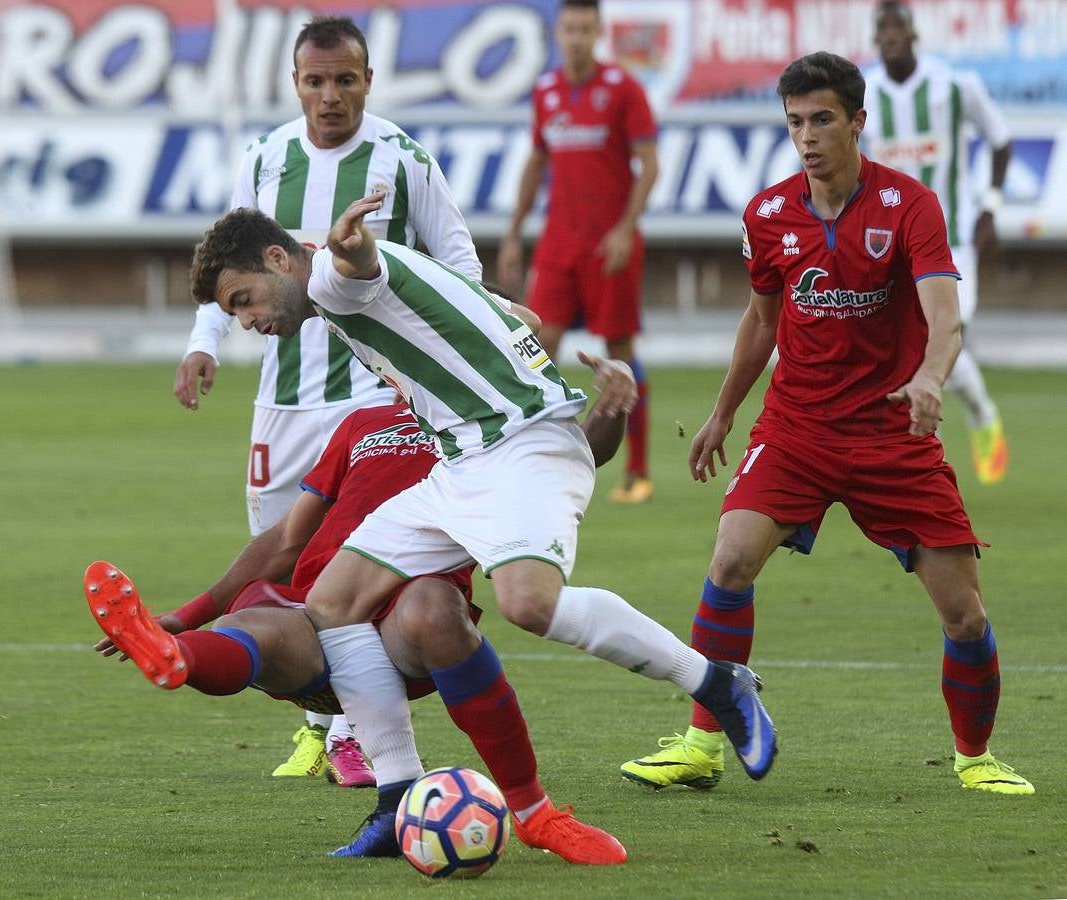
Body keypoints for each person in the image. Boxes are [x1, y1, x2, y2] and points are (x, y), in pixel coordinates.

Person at [187, 198, 779, 837]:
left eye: (243, 299)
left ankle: (717, 683)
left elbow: (355, 266)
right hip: (461, 461)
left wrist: (350, 248)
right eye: (233, 313)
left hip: (523, 446)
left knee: (529, 605)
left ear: (279, 258)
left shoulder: (332, 279)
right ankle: (397, 799)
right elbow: (517, 314)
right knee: (332, 603)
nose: (246, 320)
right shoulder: (348, 300)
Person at [620, 52, 1033, 796]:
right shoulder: (767, 215)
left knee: (965, 615)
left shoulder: (910, 205)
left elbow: (945, 317)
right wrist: (722, 412)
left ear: (855, 122)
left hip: (891, 435)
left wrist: (929, 381)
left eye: (821, 120)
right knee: (729, 561)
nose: (806, 137)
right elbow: (759, 320)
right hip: (797, 428)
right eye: (794, 123)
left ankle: (974, 758)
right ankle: (702, 743)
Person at [87, 355, 639, 863]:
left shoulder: (496, 433)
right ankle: (174, 653)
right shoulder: (362, 423)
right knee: (251, 626)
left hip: (409, 630)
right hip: (323, 615)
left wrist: (611, 408)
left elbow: (585, 452)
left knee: (432, 604)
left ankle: (533, 813)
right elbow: (287, 540)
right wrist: (185, 616)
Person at [173, 15, 482, 784]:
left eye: (345, 79)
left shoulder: (402, 160)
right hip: (282, 397)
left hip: (368, 399)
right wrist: (204, 341)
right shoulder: (268, 156)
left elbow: (457, 261)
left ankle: (352, 730)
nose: (330, 95)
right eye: (315, 81)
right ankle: (320, 722)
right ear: (296, 83)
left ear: (367, 80)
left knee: (348, 565)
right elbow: (231, 254)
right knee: (274, 569)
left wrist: (447, 354)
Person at [496, 0, 659, 504]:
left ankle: (636, 470)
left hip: (609, 244)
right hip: (558, 243)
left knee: (620, 353)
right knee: (537, 347)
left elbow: (649, 164)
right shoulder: (546, 92)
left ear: (599, 33)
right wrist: (513, 232)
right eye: (569, 29)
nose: (576, 38)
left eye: (586, 29)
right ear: (557, 32)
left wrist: (624, 229)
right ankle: (532, 456)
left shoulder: (623, 89)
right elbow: (536, 161)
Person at [863, 1, 1012, 485]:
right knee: (915, 347)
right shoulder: (862, 96)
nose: (889, 36)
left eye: (896, 27)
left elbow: (1000, 138)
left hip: (951, 242)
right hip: (889, 247)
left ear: (913, 34)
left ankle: (981, 414)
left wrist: (989, 207)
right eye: (880, 29)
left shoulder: (954, 86)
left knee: (944, 338)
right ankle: (934, 453)